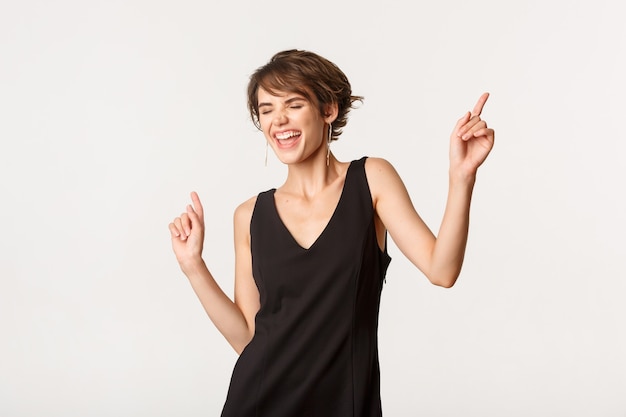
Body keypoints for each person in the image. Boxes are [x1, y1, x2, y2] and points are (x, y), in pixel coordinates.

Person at [168, 49, 495, 416]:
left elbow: (442, 270)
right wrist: (193, 266)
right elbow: (247, 337)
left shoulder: (371, 180)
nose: (278, 120)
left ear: (328, 110)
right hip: (258, 403)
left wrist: (461, 177)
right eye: (266, 109)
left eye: (293, 104)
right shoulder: (249, 215)